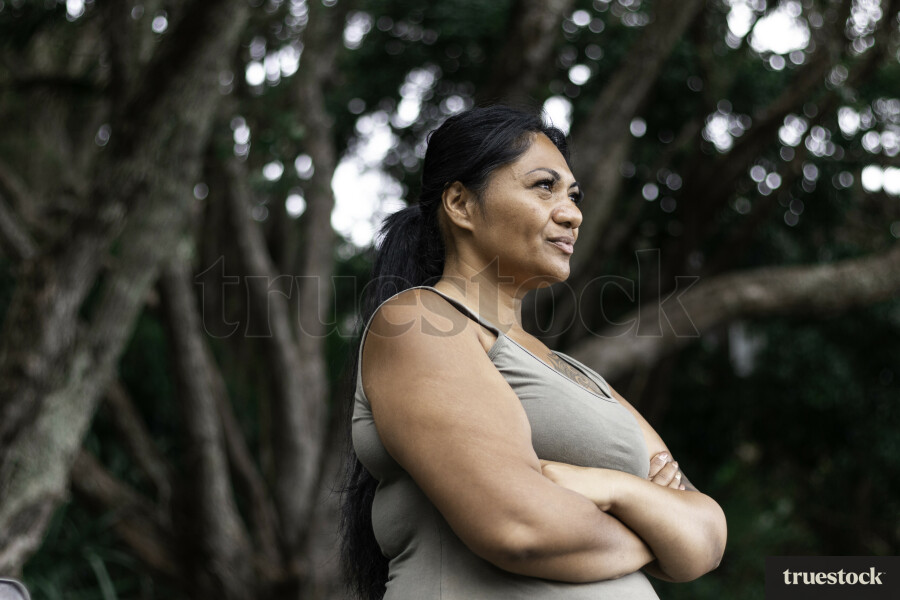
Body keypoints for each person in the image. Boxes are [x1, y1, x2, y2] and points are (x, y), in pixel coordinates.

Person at [340, 105, 726, 599]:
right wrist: (659, 526)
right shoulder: (419, 322)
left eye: (573, 195)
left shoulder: (572, 371)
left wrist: (613, 488)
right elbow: (518, 528)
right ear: (460, 204)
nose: (572, 212)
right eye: (544, 186)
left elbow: (708, 538)